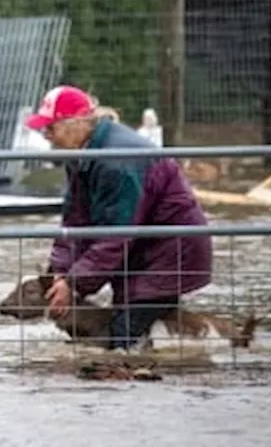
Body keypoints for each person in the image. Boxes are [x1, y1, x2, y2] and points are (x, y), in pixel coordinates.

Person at [26, 85, 212, 351]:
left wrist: (73, 283)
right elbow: (75, 220)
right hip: (144, 250)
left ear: (75, 124)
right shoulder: (82, 154)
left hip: (168, 252)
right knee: (138, 331)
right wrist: (59, 272)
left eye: (51, 128)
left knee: (122, 338)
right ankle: (186, 357)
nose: (46, 136)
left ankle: (166, 370)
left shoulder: (115, 161)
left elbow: (116, 234)